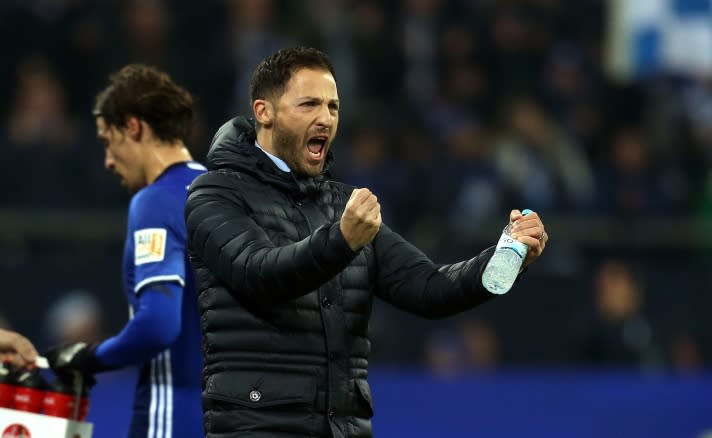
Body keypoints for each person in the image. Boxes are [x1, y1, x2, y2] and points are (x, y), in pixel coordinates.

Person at [184, 47, 548, 438]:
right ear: (264, 112)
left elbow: (429, 288)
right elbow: (259, 274)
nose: (325, 118)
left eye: (333, 107)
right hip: (257, 427)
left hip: (343, 428)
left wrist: (506, 256)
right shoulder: (214, 194)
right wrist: (340, 241)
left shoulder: (343, 205)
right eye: (309, 104)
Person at [45, 64, 206, 437]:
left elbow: (158, 325)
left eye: (107, 141)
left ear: (133, 127)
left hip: (171, 414)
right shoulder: (225, 193)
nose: (108, 160)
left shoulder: (155, 201)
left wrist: (89, 357)